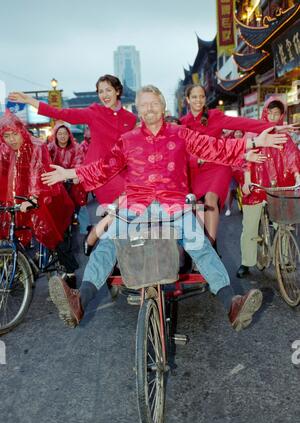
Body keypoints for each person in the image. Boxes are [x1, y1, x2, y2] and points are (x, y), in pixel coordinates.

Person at [40, 85, 287, 332]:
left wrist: (253, 141)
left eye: (154, 103)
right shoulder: (127, 141)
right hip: (136, 206)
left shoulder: (181, 133)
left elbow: (215, 147)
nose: (149, 108)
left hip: (174, 206)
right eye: (144, 104)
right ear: (137, 109)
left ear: (163, 106)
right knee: (108, 243)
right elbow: (103, 167)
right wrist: (69, 173)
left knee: (199, 245)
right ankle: (79, 301)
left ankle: (232, 303)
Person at [180, 84, 296, 250]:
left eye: (202, 96)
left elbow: (243, 123)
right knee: (197, 208)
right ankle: (202, 244)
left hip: (218, 166)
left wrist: (274, 127)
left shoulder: (215, 116)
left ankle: (210, 248)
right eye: (194, 97)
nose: (198, 100)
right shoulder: (182, 123)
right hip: (196, 170)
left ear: (205, 99)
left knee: (210, 199)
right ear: (187, 100)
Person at [8, 74, 137, 207]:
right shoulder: (94, 113)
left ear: (117, 91)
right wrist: (30, 100)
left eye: (108, 90)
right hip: (99, 174)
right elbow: (60, 113)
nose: (104, 95)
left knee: (123, 215)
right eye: (100, 91)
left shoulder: (131, 118)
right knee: (116, 214)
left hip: (124, 173)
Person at [0, 112, 78, 284]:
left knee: (55, 236)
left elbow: (38, 172)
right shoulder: (5, 150)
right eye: (6, 135)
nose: (11, 139)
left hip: (48, 196)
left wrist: (34, 198)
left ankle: (71, 276)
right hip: (21, 199)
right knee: (14, 231)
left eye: (15, 134)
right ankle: (23, 265)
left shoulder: (37, 146)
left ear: (22, 131)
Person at [236, 97, 300, 278]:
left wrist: (297, 177)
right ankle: (246, 262)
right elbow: (246, 159)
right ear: (265, 112)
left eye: (277, 113)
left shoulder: (284, 137)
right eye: (270, 112)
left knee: (283, 224)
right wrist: (247, 180)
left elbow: (292, 157)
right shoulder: (254, 133)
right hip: (256, 185)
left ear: (281, 115)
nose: (273, 116)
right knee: (249, 225)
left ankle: (285, 257)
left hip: (278, 187)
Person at [48, 122, 87, 208]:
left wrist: (75, 176)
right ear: (56, 135)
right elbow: (46, 163)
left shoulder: (77, 147)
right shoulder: (50, 148)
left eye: (65, 133)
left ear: (69, 135)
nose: (62, 136)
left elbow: (79, 162)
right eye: (60, 133)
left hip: (73, 183)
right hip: (56, 184)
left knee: (81, 211)